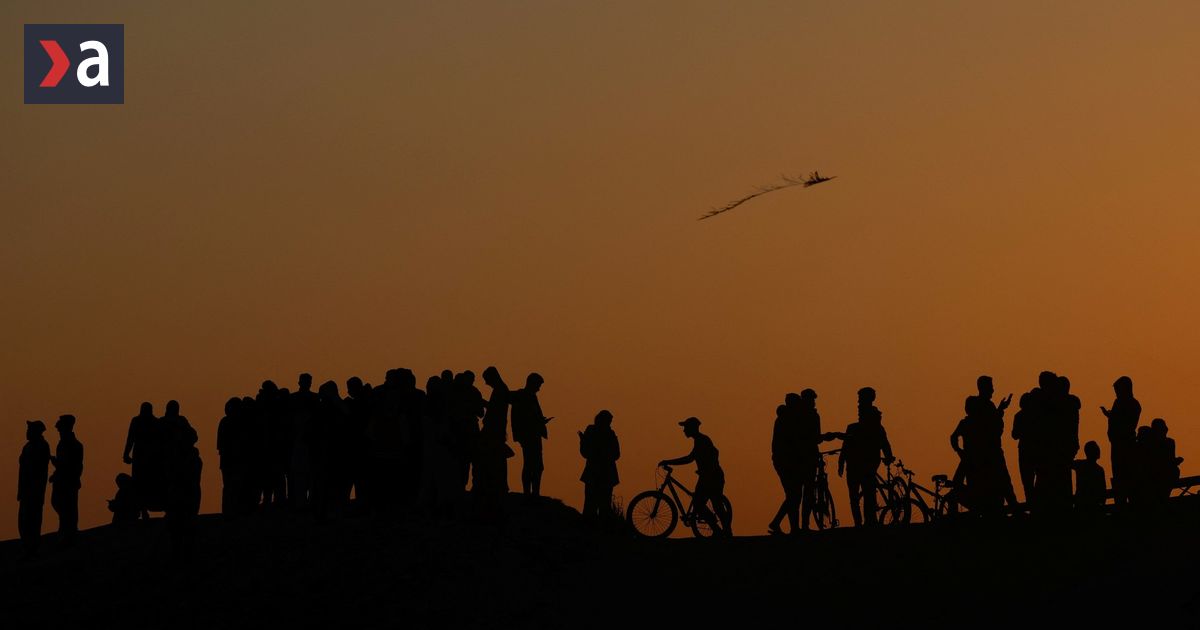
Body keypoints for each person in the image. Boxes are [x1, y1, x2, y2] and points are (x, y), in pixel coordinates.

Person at [659, 417, 732, 536]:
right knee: (704, 504)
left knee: (712, 504)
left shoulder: (702, 440)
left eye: (686, 428)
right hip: (707, 477)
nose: (684, 430)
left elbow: (690, 458)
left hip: (712, 477)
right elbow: (693, 457)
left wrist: (669, 461)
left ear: (692, 428)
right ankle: (719, 531)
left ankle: (724, 531)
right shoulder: (700, 440)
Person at [839, 388, 893, 527]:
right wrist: (888, 456)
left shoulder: (856, 428)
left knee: (857, 495)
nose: (858, 404)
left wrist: (841, 462)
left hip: (859, 463)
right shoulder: (873, 425)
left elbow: (846, 447)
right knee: (867, 493)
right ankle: (868, 521)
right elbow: (884, 442)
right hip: (867, 462)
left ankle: (862, 522)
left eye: (860, 399)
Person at [1101, 376, 1141, 506]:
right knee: (1119, 476)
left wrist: (1112, 416)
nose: (1116, 393)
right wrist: (1111, 415)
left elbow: (1125, 424)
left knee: (1125, 476)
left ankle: (1125, 505)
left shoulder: (1129, 404)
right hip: (1118, 444)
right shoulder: (1125, 403)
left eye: (1118, 390)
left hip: (1125, 445)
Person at [511, 373, 551, 498]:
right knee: (531, 465)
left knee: (537, 466)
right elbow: (521, 418)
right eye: (538, 385)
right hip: (529, 437)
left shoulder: (531, 397)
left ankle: (534, 493)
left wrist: (540, 421)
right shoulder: (522, 396)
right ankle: (529, 493)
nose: (539, 388)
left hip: (534, 435)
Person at [579, 410, 620, 520]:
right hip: (604, 474)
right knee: (601, 505)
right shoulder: (609, 434)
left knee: (592, 504)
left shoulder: (592, 431)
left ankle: (591, 526)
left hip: (595, 473)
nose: (610, 423)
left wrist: (583, 441)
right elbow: (616, 454)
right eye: (609, 421)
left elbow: (585, 452)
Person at [17, 420, 51, 556]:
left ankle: (32, 548)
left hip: (35, 491)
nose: (27, 432)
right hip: (26, 490)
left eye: (30, 429)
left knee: (33, 519)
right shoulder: (28, 446)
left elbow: (37, 470)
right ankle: (26, 546)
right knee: (23, 520)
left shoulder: (42, 446)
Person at [49, 414, 84, 546]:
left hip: (67, 481)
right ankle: (66, 531)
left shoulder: (72, 444)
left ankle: (68, 533)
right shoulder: (67, 443)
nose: (57, 428)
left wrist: (56, 464)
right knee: (62, 505)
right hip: (65, 480)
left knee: (66, 506)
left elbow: (69, 465)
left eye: (60, 426)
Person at [122, 402, 157, 519]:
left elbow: (130, 438)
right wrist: (126, 454)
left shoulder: (138, 421)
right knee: (142, 484)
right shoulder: (154, 422)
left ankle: (144, 509)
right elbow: (130, 438)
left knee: (142, 484)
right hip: (145, 458)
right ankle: (143, 509)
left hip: (144, 458)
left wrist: (126, 454)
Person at [1071, 441, 1106, 512]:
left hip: (1081, 505)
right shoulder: (1099, 470)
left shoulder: (1080, 464)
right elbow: (1103, 490)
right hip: (1093, 506)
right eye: (1097, 448)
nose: (1099, 450)